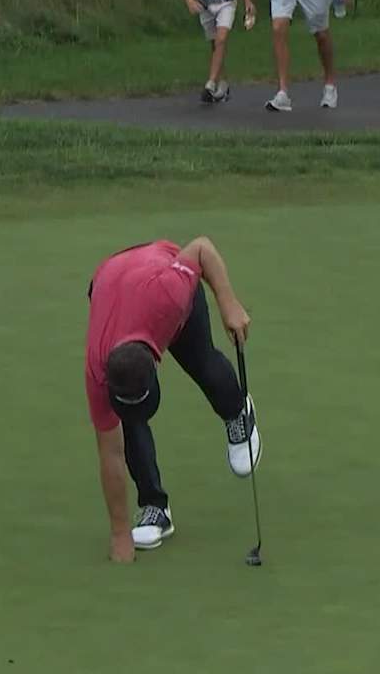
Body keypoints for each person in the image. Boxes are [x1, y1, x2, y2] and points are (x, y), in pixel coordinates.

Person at [85, 238, 262, 564]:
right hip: (112, 279)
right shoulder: (99, 369)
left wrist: (228, 302)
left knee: (202, 364)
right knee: (129, 424)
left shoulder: (170, 291)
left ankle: (238, 413)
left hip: (157, 272)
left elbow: (202, 248)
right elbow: (110, 451)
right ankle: (154, 506)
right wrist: (119, 534)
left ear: (156, 365)